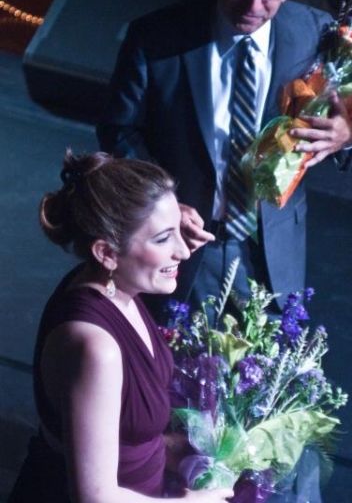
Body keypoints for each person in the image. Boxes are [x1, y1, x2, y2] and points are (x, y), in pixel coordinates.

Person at [97, 0, 352, 316]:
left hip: (272, 253)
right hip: (180, 246)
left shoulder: (314, 32)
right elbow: (119, 130)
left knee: (266, 376)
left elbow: (345, 107)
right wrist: (162, 202)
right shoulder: (157, 38)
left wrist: (348, 134)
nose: (255, 3)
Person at [7, 150, 233, 503]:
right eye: (162, 239)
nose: (184, 252)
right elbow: (94, 497)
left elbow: (114, 433)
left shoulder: (116, 291)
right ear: (107, 253)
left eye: (179, 228)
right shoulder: (97, 348)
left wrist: (170, 448)